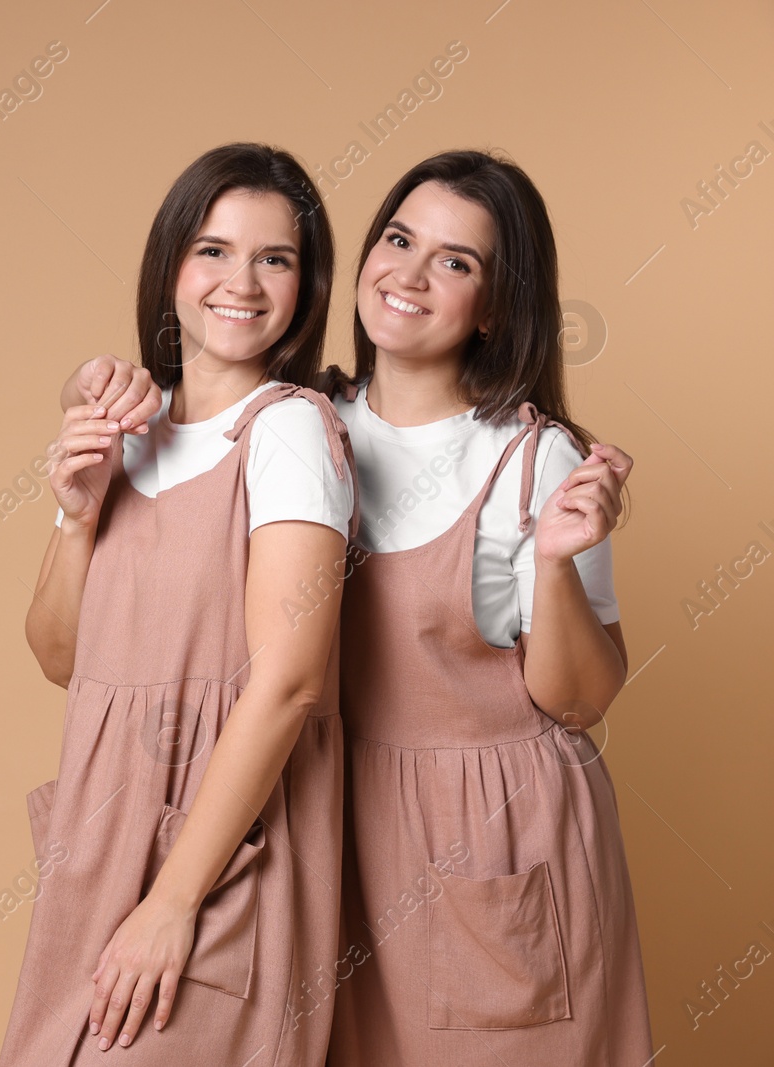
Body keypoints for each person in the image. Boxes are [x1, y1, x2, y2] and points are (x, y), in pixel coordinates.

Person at [0, 142, 358, 1065]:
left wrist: (172, 902)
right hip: (104, 844)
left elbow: (290, 683)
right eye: (213, 250)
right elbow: (58, 658)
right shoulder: (134, 431)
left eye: (274, 258)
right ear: (169, 269)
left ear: (307, 286)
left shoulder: (284, 433)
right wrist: (78, 519)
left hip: (216, 859)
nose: (241, 281)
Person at [321, 150, 652, 1065]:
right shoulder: (297, 426)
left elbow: (580, 700)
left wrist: (553, 564)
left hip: (498, 838)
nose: (410, 275)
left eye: (456, 262)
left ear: (499, 305)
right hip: (332, 826)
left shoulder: (531, 460)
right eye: (398, 238)